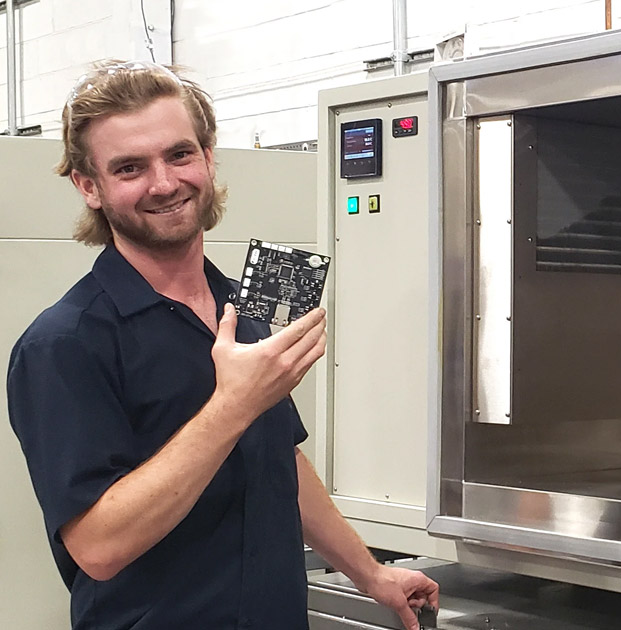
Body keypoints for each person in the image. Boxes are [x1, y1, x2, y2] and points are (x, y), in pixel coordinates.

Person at [6, 60, 438, 630]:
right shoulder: (65, 343)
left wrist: (372, 574)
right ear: (90, 186)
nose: (163, 183)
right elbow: (98, 547)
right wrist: (232, 405)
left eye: (179, 155)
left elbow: (277, 455)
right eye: (130, 167)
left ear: (208, 158)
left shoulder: (242, 307)